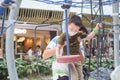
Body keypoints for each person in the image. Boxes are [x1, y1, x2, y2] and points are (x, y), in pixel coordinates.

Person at [43, 15, 102, 80]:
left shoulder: (78, 41)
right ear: (68, 25)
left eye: (76, 31)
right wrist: (61, 46)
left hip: (72, 74)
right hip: (59, 76)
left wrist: (96, 29)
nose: (73, 32)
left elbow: (82, 62)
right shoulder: (57, 39)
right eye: (71, 29)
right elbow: (45, 55)